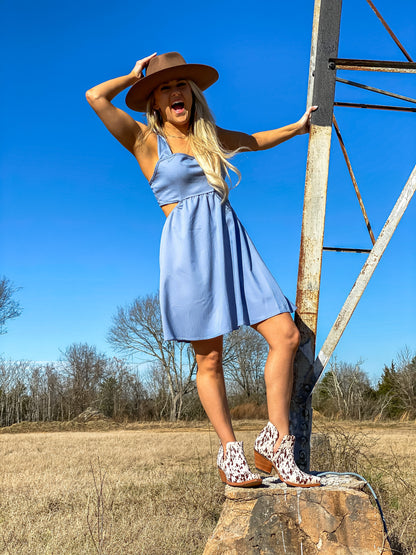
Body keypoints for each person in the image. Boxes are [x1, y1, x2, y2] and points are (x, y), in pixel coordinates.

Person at [86, 51, 320, 488]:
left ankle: (276, 441)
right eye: (164, 88)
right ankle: (230, 452)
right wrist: (134, 74)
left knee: (286, 335)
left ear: (191, 94)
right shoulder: (145, 142)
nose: (175, 93)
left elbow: (254, 139)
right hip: (188, 255)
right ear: (153, 102)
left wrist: (299, 126)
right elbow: (96, 98)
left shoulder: (210, 136)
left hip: (233, 245)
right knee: (209, 357)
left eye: (181, 86)